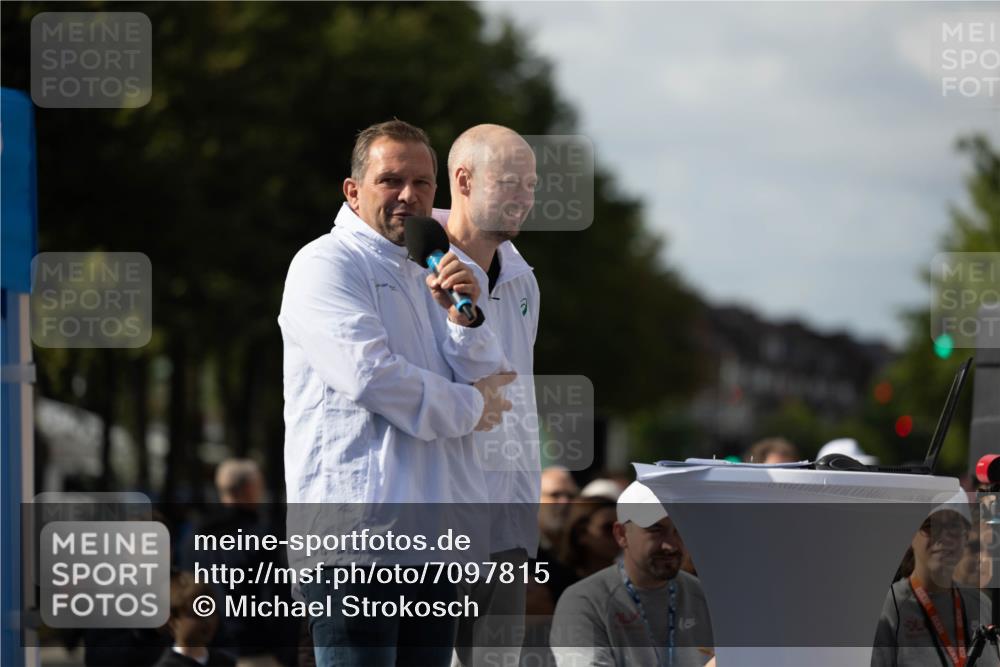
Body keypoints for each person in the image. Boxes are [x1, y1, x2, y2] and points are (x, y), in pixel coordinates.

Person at [278, 119, 515, 667]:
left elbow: (495, 377)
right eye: (390, 180)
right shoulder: (325, 264)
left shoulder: (438, 264)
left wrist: (464, 312)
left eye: (423, 183)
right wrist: (471, 407)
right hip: (355, 545)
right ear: (353, 191)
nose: (409, 196)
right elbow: (372, 377)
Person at [438, 124, 540, 667]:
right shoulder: (410, 269)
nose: (525, 196)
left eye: (531, 184)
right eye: (510, 182)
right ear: (464, 180)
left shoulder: (524, 279)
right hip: (441, 519)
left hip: (509, 523)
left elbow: (514, 396)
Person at [550, 481, 715, 667]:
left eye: (679, 530)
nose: (670, 545)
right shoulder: (585, 600)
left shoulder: (705, 597)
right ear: (621, 534)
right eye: (655, 529)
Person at [871, 496, 997, 666]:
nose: (943, 537)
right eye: (931, 525)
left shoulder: (981, 603)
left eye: (953, 526)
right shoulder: (887, 607)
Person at [152, 571, 235, 667]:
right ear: (173, 621)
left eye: (211, 613)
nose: (207, 621)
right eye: (196, 615)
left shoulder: (225, 662)